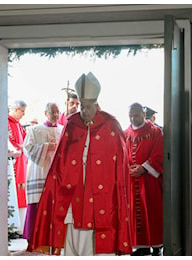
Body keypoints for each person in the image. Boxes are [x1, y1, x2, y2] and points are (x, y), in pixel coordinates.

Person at [27, 72, 133, 256]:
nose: (84, 111)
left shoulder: (111, 125)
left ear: (97, 105)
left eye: (88, 106)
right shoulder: (72, 123)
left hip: (102, 193)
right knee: (72, 238)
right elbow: (60, 162)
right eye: (82, 106)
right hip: (73, 191)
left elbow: (120, 164)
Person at [124, 102, 164, 256]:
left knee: (152, 212)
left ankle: (156, 245)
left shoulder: (155, 132)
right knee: (134, 213)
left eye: (137, 115)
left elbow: (159, 154)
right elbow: (121, 154)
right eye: (131, 116)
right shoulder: (125, 133)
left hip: (149, 181)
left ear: (144, 113)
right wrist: (128, 168)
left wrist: (143, 168)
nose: (133, 119)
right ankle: (141, 245)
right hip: (131, 179)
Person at [22, 102, 63, 244]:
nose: (56, 115)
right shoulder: (35, 130)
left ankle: (55, 237)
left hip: (58, 173)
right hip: (40, 171)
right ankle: (34, 238)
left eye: (57, 112)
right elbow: (27, 148)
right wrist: (47, 147)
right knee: (38, 203)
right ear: (46, 113)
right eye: (52, 112)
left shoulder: (63, 130)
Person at [8, 100, 28, 235]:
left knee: (21, 194)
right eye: (22, 111)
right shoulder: (7, 123)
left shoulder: (19, 125)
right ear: (15, 109)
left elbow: (26, 140)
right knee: (13, 193)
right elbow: (9, 141)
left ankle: (19, 226)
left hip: (22, 163)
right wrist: (17, 148)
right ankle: (11, 227)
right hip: (13, 163)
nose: (23, 114)